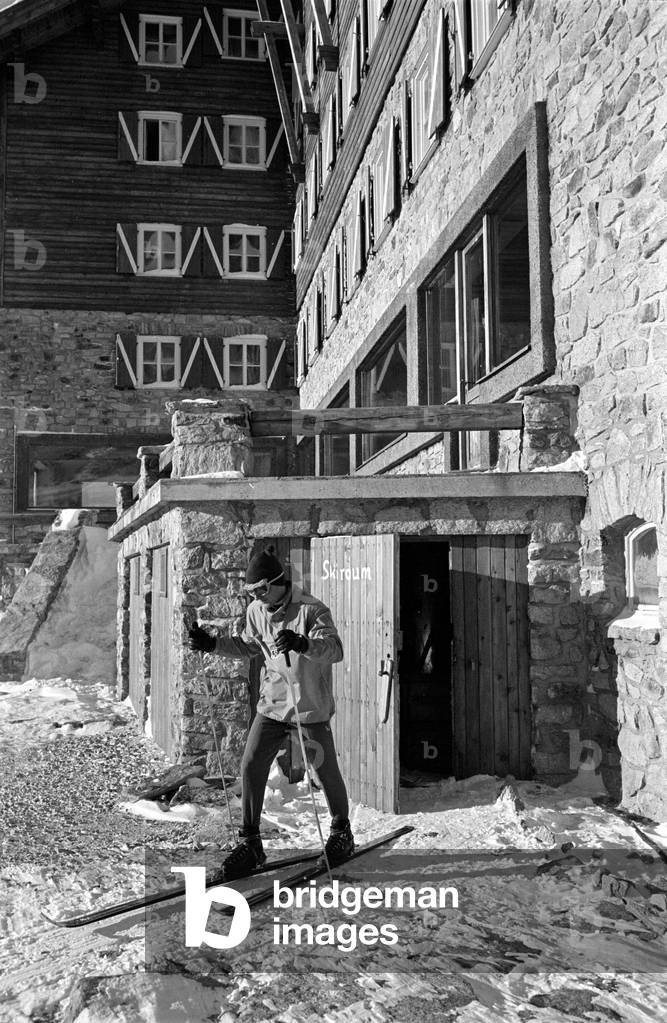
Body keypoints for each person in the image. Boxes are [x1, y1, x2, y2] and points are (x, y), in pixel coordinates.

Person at [188, 548, 355, 880]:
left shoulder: (311, 609)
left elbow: (334, 650)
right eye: (251, 592)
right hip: (273, 705)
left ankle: (341, 832)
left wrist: (302, 642)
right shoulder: (256, 611)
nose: (257, 596)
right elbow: (251, 646)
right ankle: (251, 843)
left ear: (279, 582)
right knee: (250, 764)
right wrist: (213, 645)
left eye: (262, 589)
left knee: (323, 771)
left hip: (308, 708)